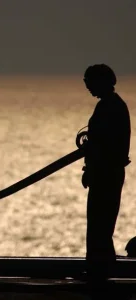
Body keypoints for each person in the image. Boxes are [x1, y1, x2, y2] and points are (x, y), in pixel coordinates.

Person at [81, 64, 131, 281]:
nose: (88, 86)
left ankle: (99, 271)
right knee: (100, 224)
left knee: (99, 224)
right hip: (107, 172)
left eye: (89, 81)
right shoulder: (112, 105)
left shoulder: (110, 107)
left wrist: (92, 168)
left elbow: (106, 145)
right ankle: (100, 268)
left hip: (106, 174)